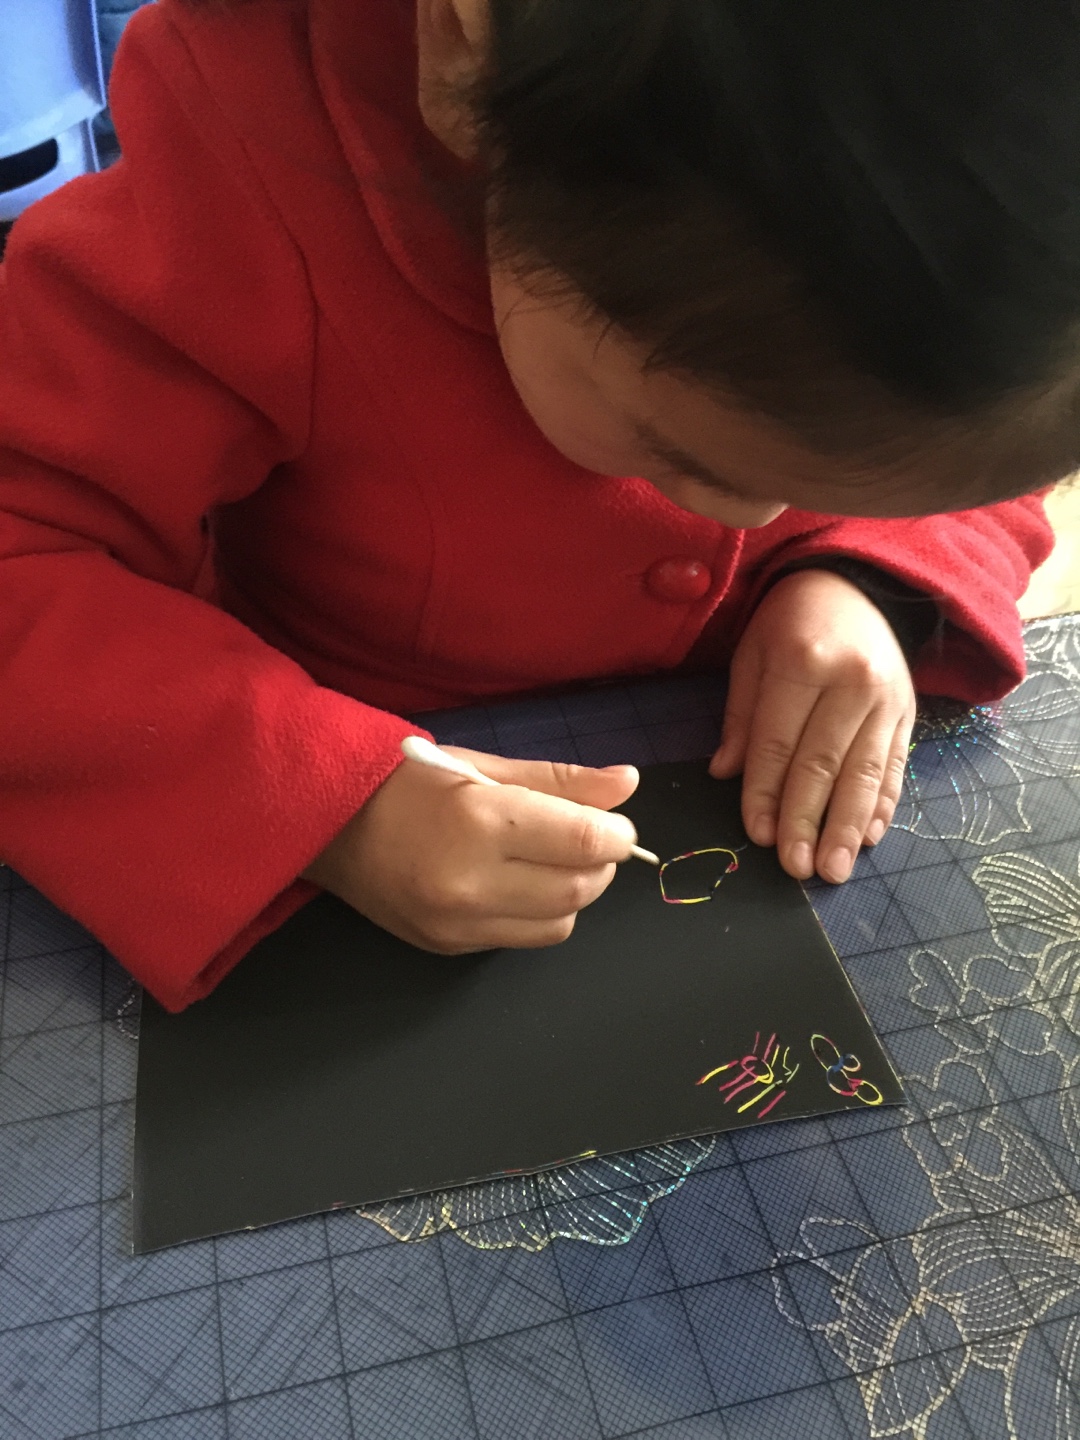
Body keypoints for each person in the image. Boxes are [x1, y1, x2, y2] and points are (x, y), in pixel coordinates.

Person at [0, 0, 1067, 1011]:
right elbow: (21, 550)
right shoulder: (241, 178)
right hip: (341, 773)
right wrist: (321, 803)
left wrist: (872, 570)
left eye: (837, 484)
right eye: (677, 451)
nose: (754, 521)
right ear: (464, 51)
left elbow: (978, 453)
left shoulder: (1022, 270)